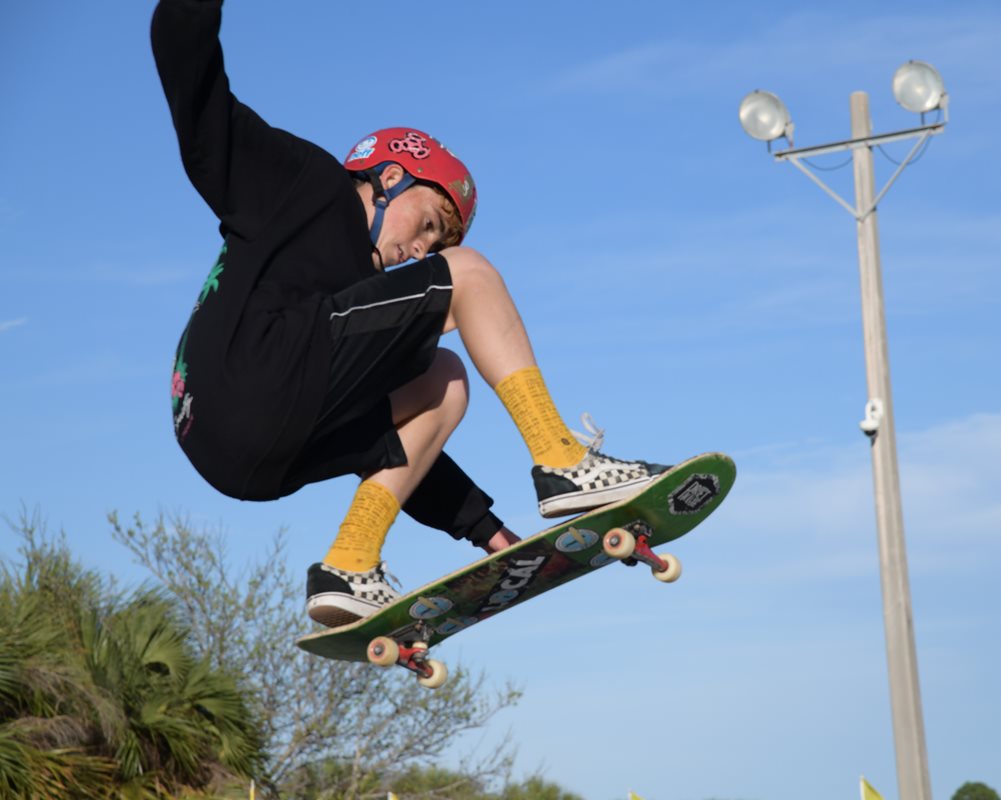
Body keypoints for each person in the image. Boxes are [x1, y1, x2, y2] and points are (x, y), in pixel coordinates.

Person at [151, 0, 670, 627]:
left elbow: (400, 446)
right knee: (470, 274)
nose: (420, 250)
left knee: (442, 383)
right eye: (427, 223)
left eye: (433, 243)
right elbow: (203, 105)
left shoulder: (352, 314)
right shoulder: (304, 184)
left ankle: (349, 561)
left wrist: (492, 538)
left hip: (242, 453)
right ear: (389, 177)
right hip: (249, 379)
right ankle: (563, 460)